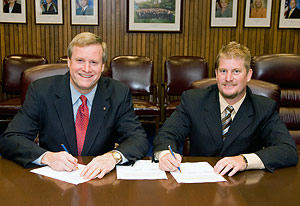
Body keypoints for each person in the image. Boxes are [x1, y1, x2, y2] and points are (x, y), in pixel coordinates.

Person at [0, 32, 149, 180]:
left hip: (99, 181)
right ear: (69, 62)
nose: (86, 69)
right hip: (53, 181)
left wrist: (112, 157)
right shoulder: (41, 91)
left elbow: (138, 139)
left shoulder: (118, 93)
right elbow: (11, 138)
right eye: (79, 60)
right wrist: (47, 157)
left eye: (94, 62)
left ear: (102, 66)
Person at [153, 41, 298, 177]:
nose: (228, 78)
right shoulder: (193, 100)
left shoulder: (263, 108)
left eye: (236, 71)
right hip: (200, 185)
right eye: (223, 71)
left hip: (244, 185)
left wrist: (244, 161)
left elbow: (288, 150)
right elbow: (167, 134)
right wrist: (165, 154)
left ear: (248, 75)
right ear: (216, 74)